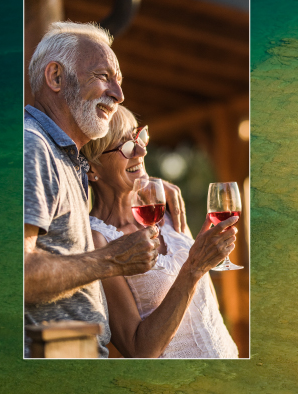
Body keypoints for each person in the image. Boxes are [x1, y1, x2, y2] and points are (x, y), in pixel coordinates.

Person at [24, 21, 159, 357]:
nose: (119, 94)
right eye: (104, 76)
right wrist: (111, 259)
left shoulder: (66, 157)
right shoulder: (32, 146)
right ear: (55, 77)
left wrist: (148, 185)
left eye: (120, 81)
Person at [81, 105, 239, 358]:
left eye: (139, 136)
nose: (142, 150)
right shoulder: (97, 241)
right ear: (92, 168)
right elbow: (140, 351)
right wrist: (194, 268)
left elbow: (208, 305)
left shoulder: (166, 213)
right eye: (126, 146)